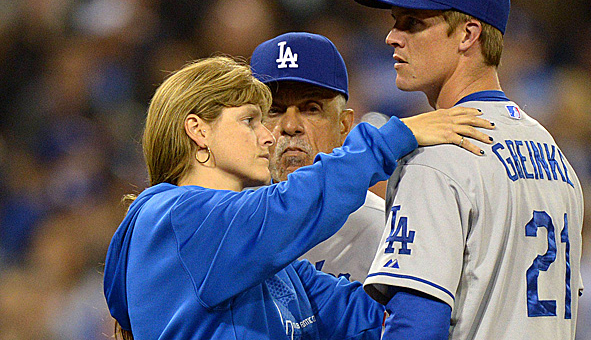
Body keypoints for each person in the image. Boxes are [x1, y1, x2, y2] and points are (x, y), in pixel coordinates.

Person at [102, 55, 494, 340]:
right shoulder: (172, 218)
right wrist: (395, 138)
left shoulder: (276, 268)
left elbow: (371, 320)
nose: (270, 135)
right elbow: (293, 203)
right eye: (250, 120)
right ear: (198, 131)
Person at [352, 0, 584, 339]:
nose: (392, 37)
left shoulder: (439, 155)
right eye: (395, 21)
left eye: (412, 22)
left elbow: (416, 324)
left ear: (468, 34)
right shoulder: (555, 156)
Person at [250, 31, 384, 283]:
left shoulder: (379, 229)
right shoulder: (231, 223)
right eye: (274, 110)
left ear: (344, 125)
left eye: (311, 109)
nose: (290, 125)